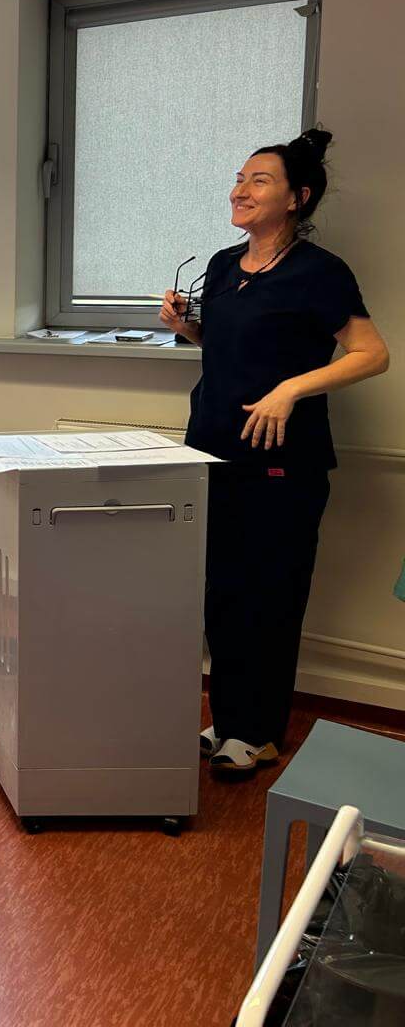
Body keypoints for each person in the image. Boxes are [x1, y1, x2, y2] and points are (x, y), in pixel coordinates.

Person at [160, 129, 389, 773]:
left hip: (283, 464)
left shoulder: (320, 272)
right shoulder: (222, 265)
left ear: (297, 198)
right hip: (211, 449)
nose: (241, 189)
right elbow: (228, 347)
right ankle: (228, 719)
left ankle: (259, 732)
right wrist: (186, 328)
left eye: (259, 180)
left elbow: (373, 354)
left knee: (270, 596)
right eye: (240, 178)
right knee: (220, 593)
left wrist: (291, 388)